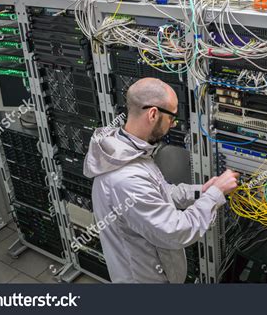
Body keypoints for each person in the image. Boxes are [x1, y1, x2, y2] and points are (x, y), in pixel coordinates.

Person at [83, 77, 239, 283]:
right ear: (153, 114)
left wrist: (201, 190)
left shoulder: (129, 149)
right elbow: (176, 231)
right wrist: (215, 195)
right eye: (172, 118)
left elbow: (162, 193)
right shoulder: (126, 179)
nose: (173, 125)